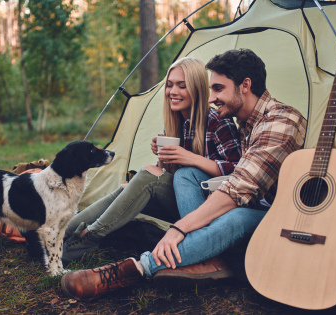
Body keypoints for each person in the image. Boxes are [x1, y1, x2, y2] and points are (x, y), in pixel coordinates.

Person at [60, 49, 307, 299]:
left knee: (235, 218)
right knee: (183, 174)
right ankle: (60, 230)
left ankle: (135, 268)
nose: (212, 98)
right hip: (233, 199)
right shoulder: (245, 122)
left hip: (271, 213)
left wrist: (180, 229)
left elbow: (238, 188)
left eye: (218, 89)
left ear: (245, 85)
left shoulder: (280, 121)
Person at [61, 57, 242, 262]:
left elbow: (237, 171)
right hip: (179, 201)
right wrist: (163, 158)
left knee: (146, 176)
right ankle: (60, 232)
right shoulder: (176, 124)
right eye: (170, 85)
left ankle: (89, 237)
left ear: (197, 89)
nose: (173, 92)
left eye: (182, 86)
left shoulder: (218, 121)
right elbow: (165, 176)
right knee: (127, 188)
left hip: (209, 207)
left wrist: (190, 158)